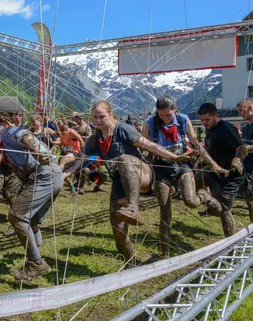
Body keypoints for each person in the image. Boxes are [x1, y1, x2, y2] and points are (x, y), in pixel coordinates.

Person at [64, 101, 196, 266]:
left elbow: (150, 145)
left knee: (124, 159)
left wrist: (174, 157)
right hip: (120, 182)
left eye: (101, 117)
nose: (97, 120)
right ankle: (131, 263)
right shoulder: (95, 139)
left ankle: (134, 207)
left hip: (142, 174)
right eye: (95, 117)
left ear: (111, 114)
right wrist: (65, 174)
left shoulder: (123, 129)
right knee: (118, 229)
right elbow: (80, 160)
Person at [142, 95, 222, 258]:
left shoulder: (184, 120)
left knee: (190, 201)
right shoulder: (149, 123)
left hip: (182, 165)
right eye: (161, 115)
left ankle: (203, 195)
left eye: (168, 115)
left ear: (175, 109)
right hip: (161, 168)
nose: (164, 119)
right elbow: (143, 146)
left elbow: (196, 144)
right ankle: (165, 253)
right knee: (165, 212)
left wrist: (213, 164)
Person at [0, 123, 63, 281]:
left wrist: (37, 152)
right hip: (51, 176)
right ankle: (33, 263)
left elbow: (25, 135)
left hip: (43, 174)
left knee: (17, 216)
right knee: (32, 222)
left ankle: (36, 263)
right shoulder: (6, 147)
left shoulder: (7, 132)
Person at [198, 103, 246, 237]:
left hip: (232, 174)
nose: (204, 123)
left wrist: (236, 160)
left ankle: (230, 243)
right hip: (216, 171)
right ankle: (213, 206)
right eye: (201, 120)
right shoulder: (209, 128)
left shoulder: (226, 128)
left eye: (206, 120)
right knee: (196, 178)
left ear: (216, 116)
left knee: (225, 210)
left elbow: (242, 148)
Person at [237, 98, 253, 222]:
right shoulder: (246, 127)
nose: (240, 114)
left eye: (242, 111)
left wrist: (245, 148)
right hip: (247, 168)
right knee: (249, 199)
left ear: (251, 108)